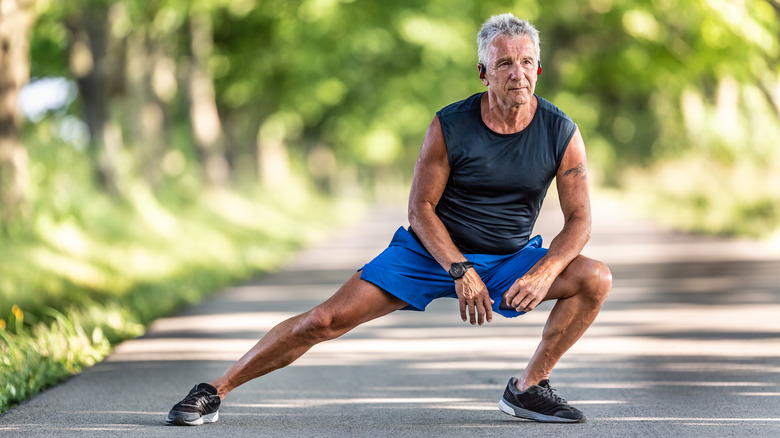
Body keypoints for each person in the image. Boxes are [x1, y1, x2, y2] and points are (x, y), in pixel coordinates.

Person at [165, 13, 612, 426]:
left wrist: (544, 271)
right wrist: (460, 270)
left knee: (595, 277)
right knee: (325, 320)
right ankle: (213, 390)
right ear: (483, 72)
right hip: (429, 253)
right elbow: (420, 209)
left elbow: (579, 220)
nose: (517, 73)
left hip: (508, 259)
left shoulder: (561, 131)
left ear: (538, 68)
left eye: (527, 62)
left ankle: (529, 388)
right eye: (504, 63)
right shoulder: (450, 125)